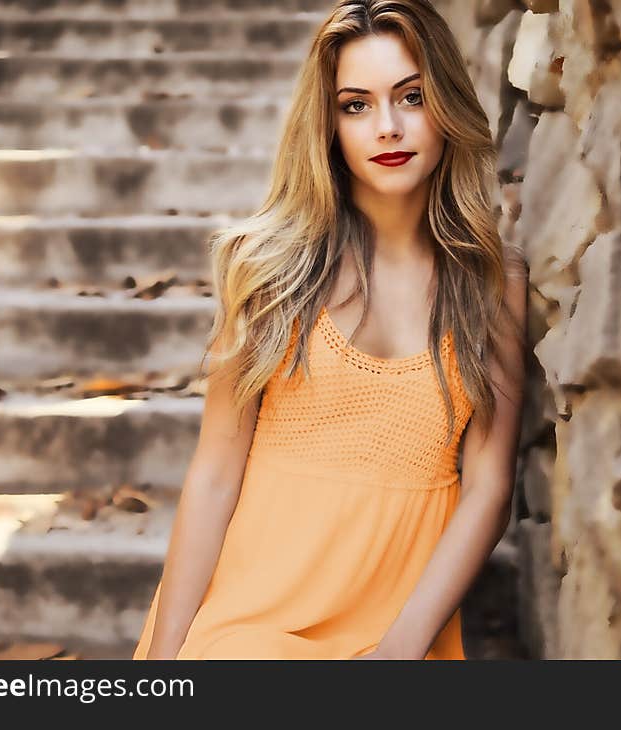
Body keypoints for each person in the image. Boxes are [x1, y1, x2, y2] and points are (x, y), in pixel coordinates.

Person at [133, 0, 528, 660]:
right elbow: (215, 476)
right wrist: (166, 659)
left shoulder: (493, 280)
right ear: (329, 123)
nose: (388, 128)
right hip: (249, 628)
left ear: (446, 106)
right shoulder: (270, 268)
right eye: (356, 105)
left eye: (411, 97)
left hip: (399, 633)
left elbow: (489, 487)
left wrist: (402, 648)